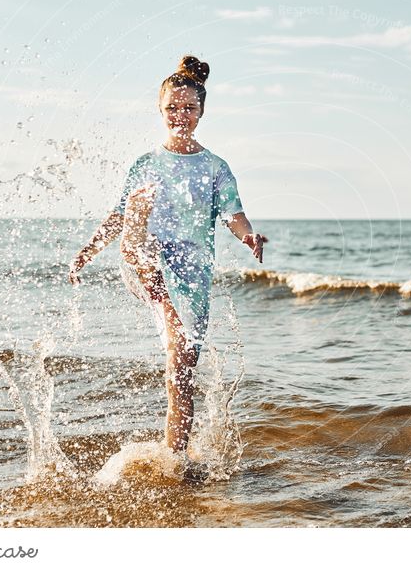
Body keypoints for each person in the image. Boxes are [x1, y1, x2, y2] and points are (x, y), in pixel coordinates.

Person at [68, 55, 267, 453]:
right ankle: (139, 233)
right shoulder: (146, 163)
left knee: (183, 367)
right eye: (172, 108)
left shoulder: (214, 167)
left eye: (189, 108)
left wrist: (248, 237)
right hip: (147, 262)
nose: (181, 115)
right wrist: (89, 249)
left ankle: (176, 455)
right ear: (160, 111)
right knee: (139, 218)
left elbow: (234, 214)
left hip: (191, 275)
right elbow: (115, 214)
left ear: (202, 111)